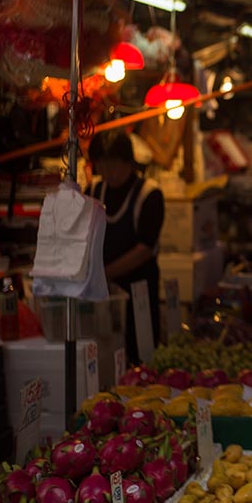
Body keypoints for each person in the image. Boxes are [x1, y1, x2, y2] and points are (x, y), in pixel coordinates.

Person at [88, 131, 163, 365]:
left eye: (112, 164)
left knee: (141, 354)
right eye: (101, 164)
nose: (107, 171)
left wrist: (104, 274)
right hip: (104, 296)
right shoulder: (93, 191)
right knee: (107, 356)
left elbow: (144, 250)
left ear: (128, 161)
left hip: (139, 291)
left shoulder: (149, 194)